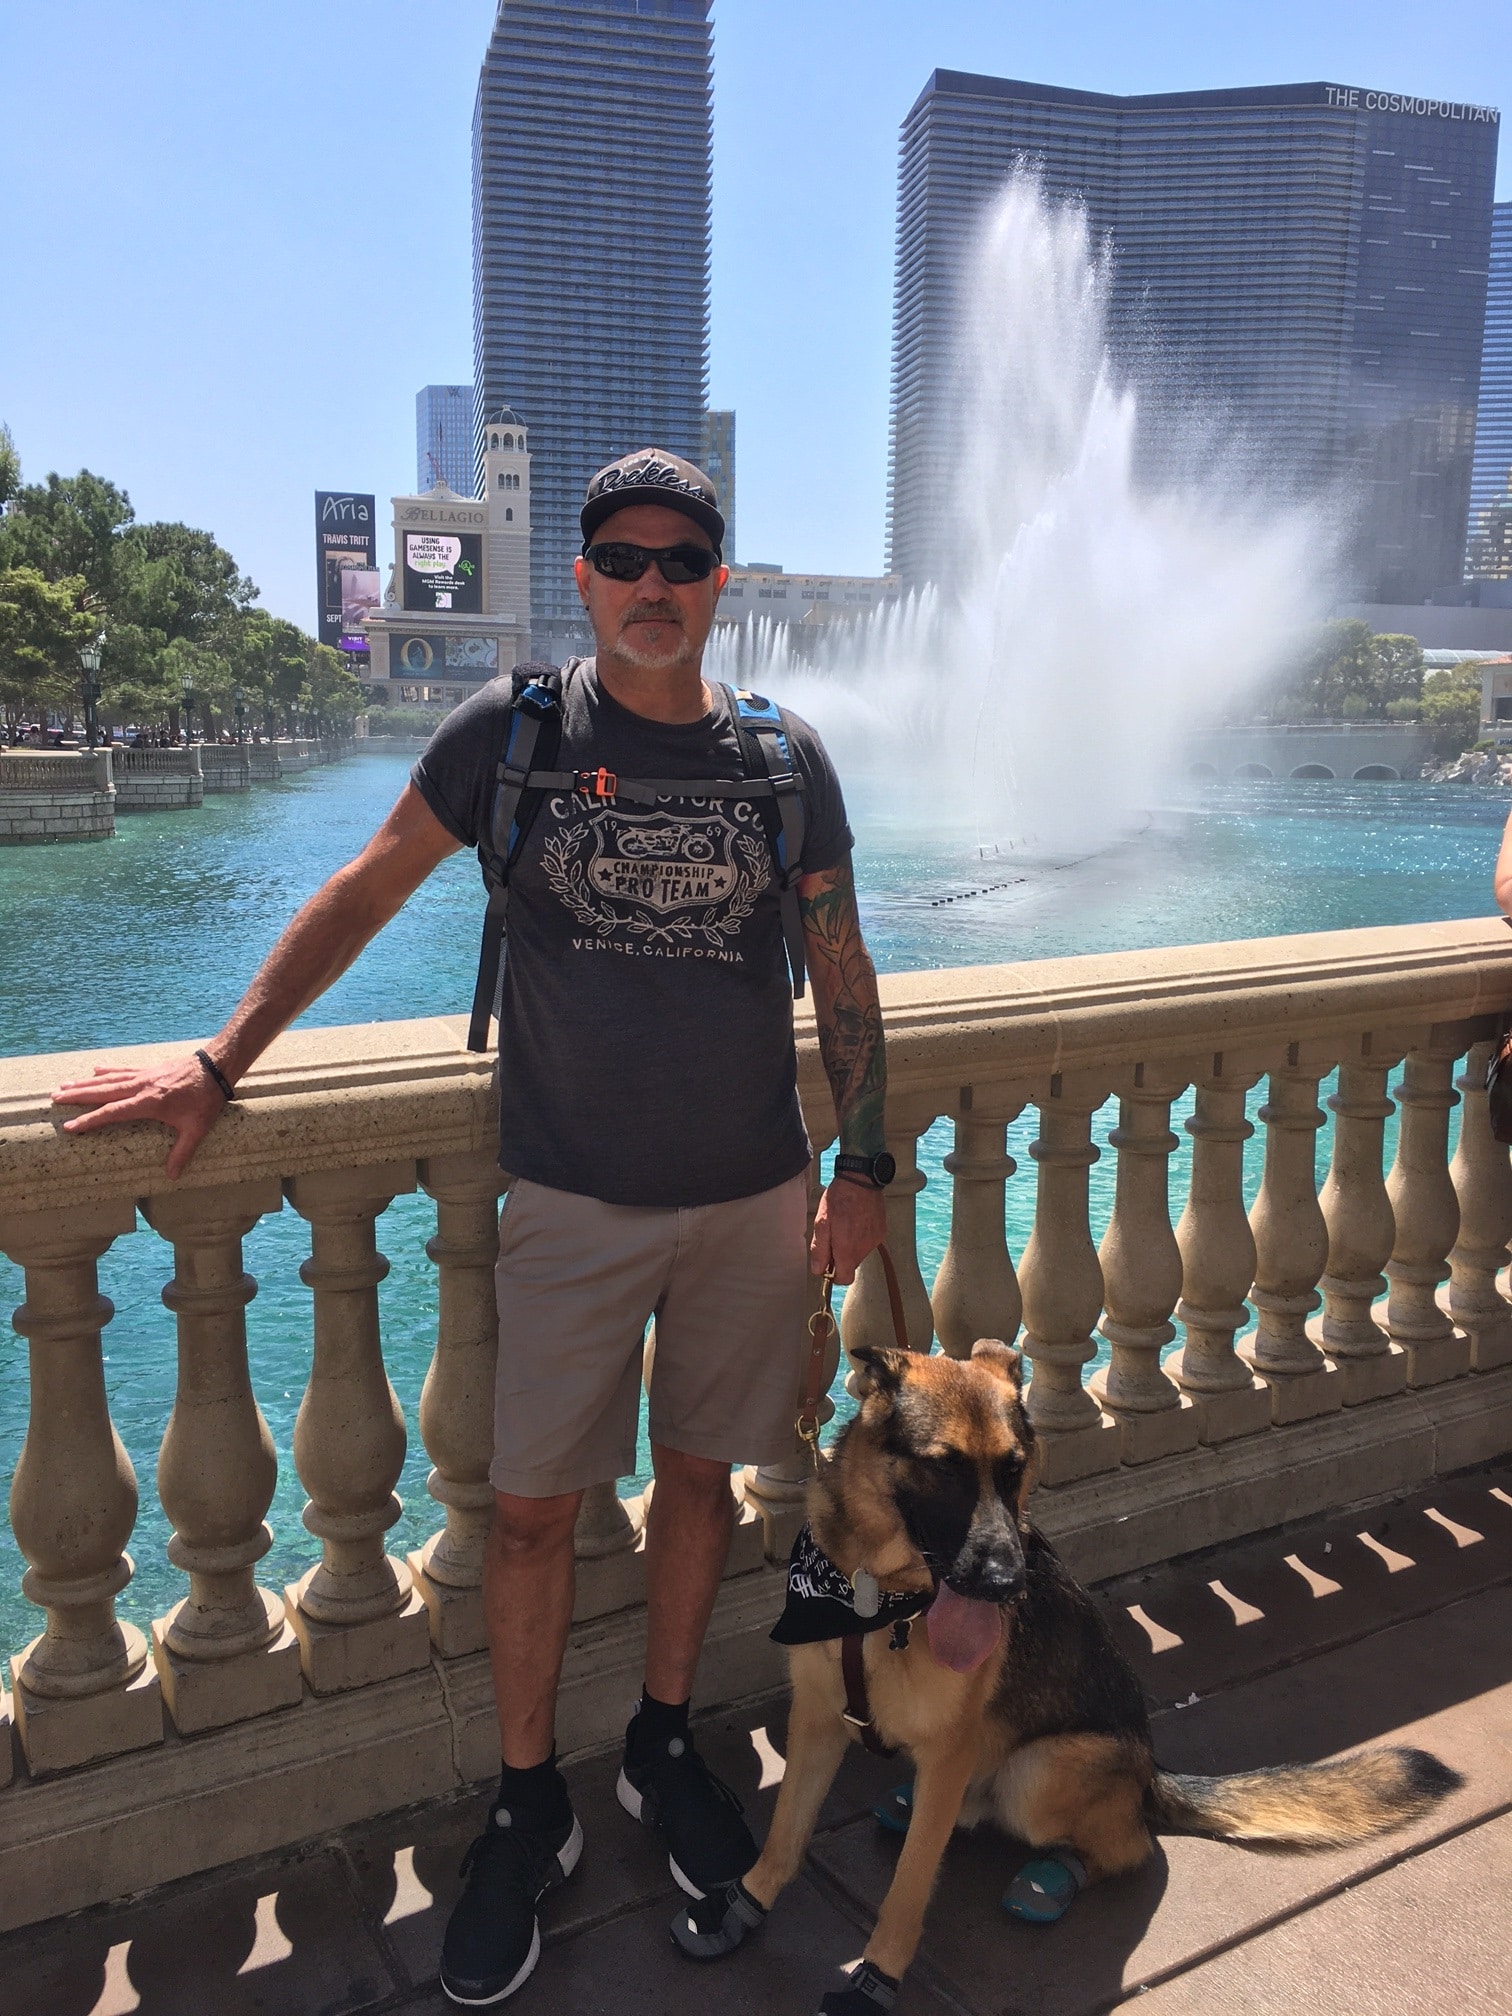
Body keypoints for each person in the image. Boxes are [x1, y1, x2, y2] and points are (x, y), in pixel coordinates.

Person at [52, 447, 891, 2007]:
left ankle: (655, 1747)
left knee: (702, 1481)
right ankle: (527, 1800)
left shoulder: (784, 760)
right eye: (623, 558)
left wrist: (867, 1166)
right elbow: (368, 887)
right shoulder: (509, 734)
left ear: (721, 586)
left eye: (682, 561)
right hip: (569, 1198)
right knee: (525, 1512)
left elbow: (842, 966)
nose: (653, 583)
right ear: (580, 578)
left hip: (754, 1196)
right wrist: (222, 1056)